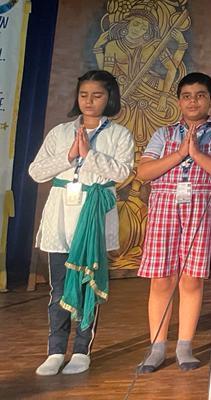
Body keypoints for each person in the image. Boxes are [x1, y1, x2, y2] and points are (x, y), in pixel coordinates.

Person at [29, 70, 134, 376]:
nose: (89, 101)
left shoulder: (119, 135)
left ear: (109, 98)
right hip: (61, 216)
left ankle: (81, 350)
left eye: (97, 95)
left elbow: (121, 172)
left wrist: (89, 155)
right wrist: (69, 155)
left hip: (93, 216)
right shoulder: (61, 132)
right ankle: (55, 350)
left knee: (89, 286)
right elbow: (36, 172)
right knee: (59, 288)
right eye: (84, 95)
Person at [136, 72, 211, 372]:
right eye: (187, 96)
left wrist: (197, 153)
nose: (193, 101)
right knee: (161, 279)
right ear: (179, 101)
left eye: (200, 95)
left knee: (191, 279)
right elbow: (144, 172)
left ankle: (184, 346)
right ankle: (157, 347)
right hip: (164, 208)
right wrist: (180, 154)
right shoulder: (163, 134)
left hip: (201, 209)